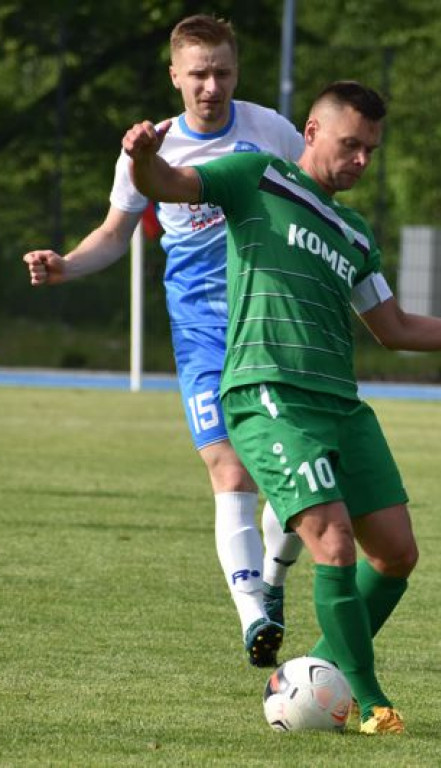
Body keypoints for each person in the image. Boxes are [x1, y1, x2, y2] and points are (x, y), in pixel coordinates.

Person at [121, 79, 441, 734]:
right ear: (311, 133)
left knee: (396, 554)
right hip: (269, 394)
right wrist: (143, 157)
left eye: (372, 149)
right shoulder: (255, 177)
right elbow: (169, 185)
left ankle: (315, 671)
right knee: (334, 543)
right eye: (351, 145)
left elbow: (395, 328)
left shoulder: (354, 231)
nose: (362, 160)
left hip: (343, 405)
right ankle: (371, 700)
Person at [23, 15, 307, 668]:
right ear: (175, 76)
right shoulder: (150, 150)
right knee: (229, 469)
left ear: (237, 72)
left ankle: (273, 579)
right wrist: (66, 263)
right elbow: (114, 234)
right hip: (204, 338)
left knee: (288, 478)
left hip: (272, 331)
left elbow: (312, 202)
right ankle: (253, 616)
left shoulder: (271, 132)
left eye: (223, 72)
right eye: (199, 73)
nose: (212, 86)